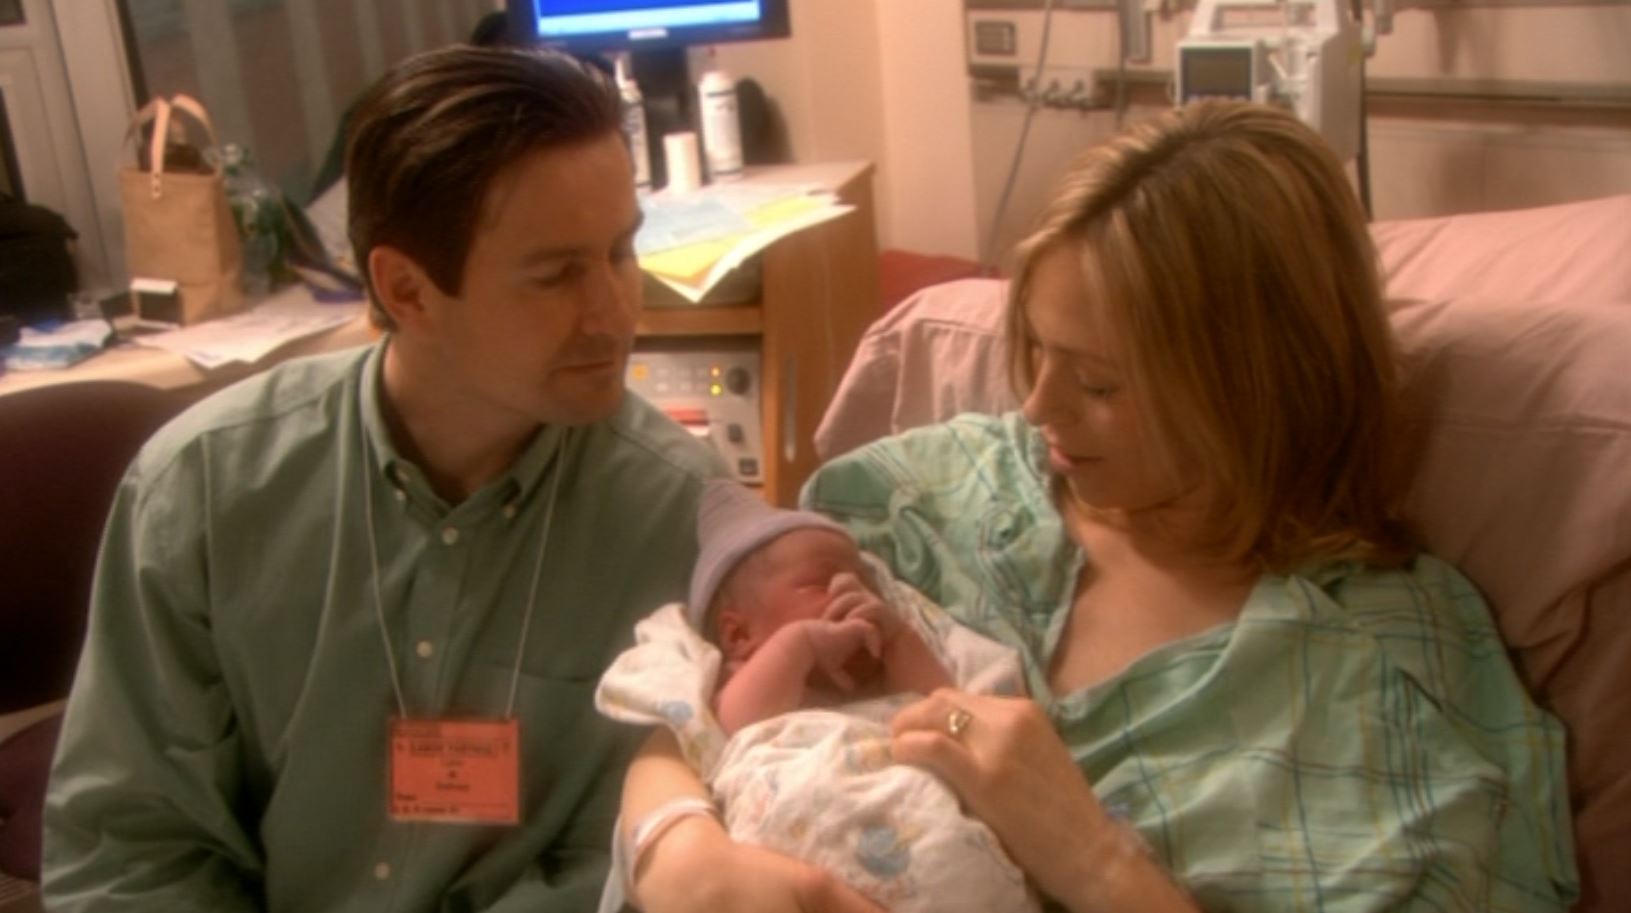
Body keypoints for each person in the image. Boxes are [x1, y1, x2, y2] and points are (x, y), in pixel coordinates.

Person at [617, 100, 1580, 913]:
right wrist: (676, 847)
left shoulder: (1381, 667)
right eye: (1037, 354)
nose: (1037, 410)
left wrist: (1090, 856)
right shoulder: (924, 499)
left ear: (1256, 387)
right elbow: (699, 688)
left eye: (1100, 384)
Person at [42, 46, 724, 912]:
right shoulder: (203, 490)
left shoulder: (682, 515)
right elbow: (129, 847)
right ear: (405, 289)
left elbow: (638, 857)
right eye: (556, 275)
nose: (616, 310)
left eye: (621, 251)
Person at [594, 480, 1037, 912]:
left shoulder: (884, 673)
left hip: (932, 841)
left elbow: (947, 707)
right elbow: (727, 731)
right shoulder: (737, 675)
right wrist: (799, 645)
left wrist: (899, 638)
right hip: (794, 858)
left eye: (865, 583)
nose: (851, 593)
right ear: (738, 633)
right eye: (818, 584)